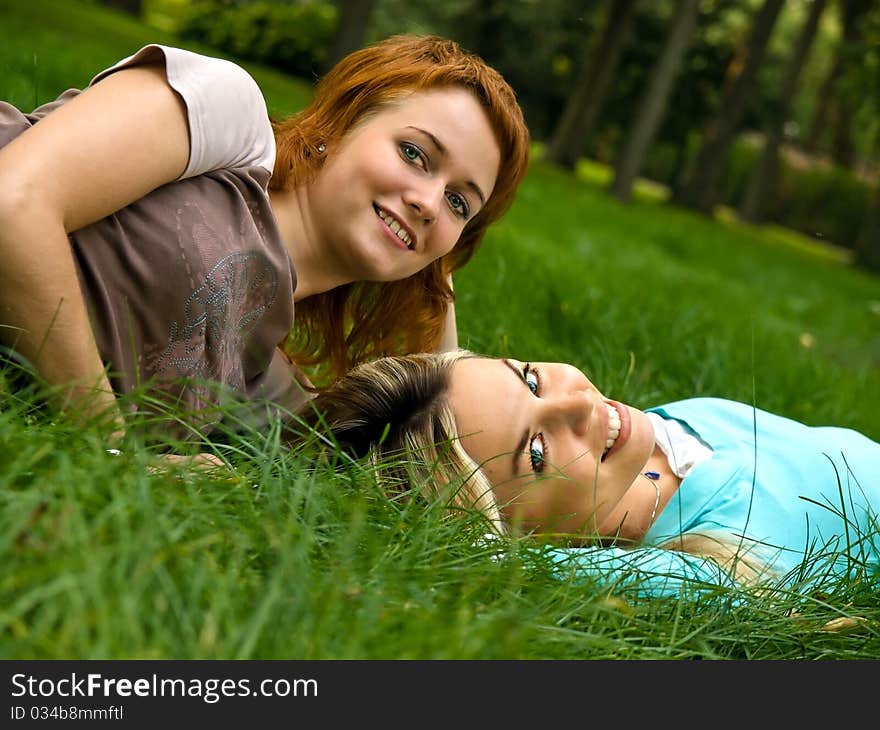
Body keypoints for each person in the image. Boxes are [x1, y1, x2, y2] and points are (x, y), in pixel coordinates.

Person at [0, 35, 530, 447]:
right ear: (341, 123)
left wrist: (434, 277)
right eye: (415, 154)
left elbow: (439, 430)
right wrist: (110, 447)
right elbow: (13, 203)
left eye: (460, 202)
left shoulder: (258, 372)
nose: (429, 201)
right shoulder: (232, 121)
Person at [293, 350, 880, 598]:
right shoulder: (710, 563)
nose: (579, 406)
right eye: (538, 452)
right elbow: (485, 562)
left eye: (528, 379)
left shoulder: (661, 429)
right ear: (519, 534)